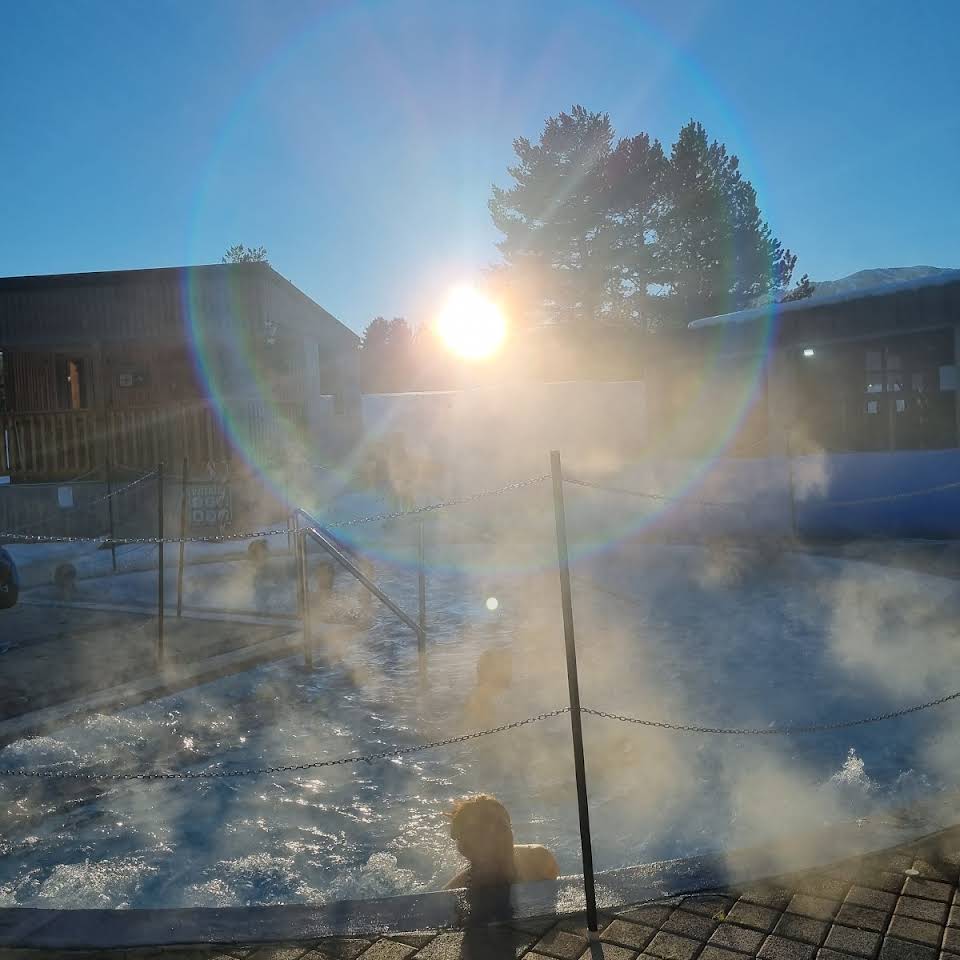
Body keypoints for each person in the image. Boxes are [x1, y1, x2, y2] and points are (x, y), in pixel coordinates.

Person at [444, 794, 559, 889]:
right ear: (467, 848)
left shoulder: (539, 861)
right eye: (485, 834)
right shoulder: (455, 891)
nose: (499, 839)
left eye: (502, 828)